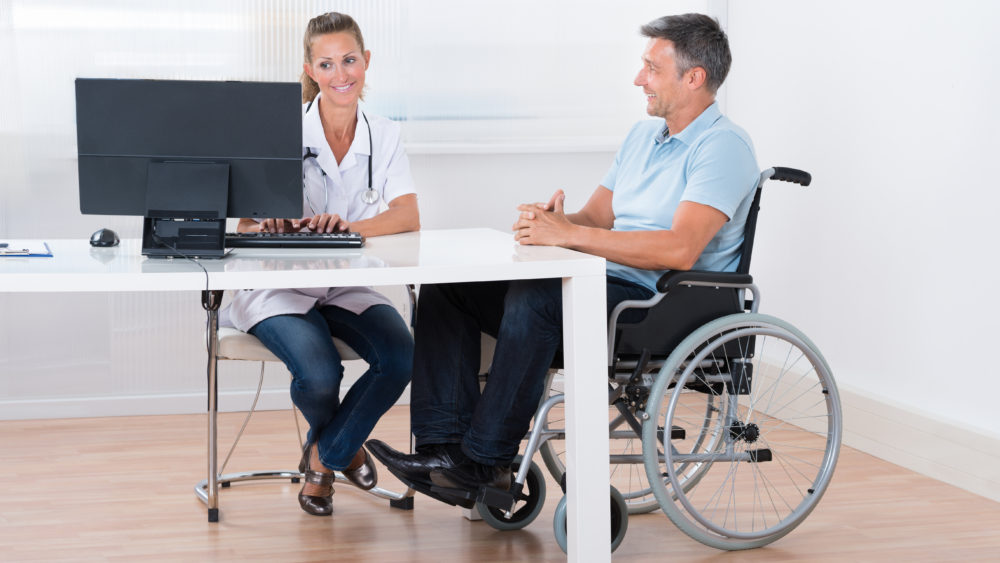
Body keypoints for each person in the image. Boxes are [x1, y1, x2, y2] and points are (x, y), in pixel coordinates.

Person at [366, 13, 758, 506]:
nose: (639, 78)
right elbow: (596, 216)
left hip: (658, 305)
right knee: (452, 287)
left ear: (694, 77)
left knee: (539, 299)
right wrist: (553, 222)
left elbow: (679, 248)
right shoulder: (643, 138)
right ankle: (443, 451)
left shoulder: (723, 148)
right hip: (604, 284)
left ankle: (485, 463)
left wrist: (570, 236)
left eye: (652, 68)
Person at [221, 12, 419, 517]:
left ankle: (323, 456)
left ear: (366, 62)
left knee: (399, 355)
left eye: (349, 60)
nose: (341, 74)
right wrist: (271, 221)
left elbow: (407, 214)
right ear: (310, 69)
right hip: (278, 286)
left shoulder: (385, 134)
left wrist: (347, 230)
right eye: (327, 64)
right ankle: (343, 449)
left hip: (347, 282)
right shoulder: (279, 130)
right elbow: (241, 217)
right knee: (318, 372)